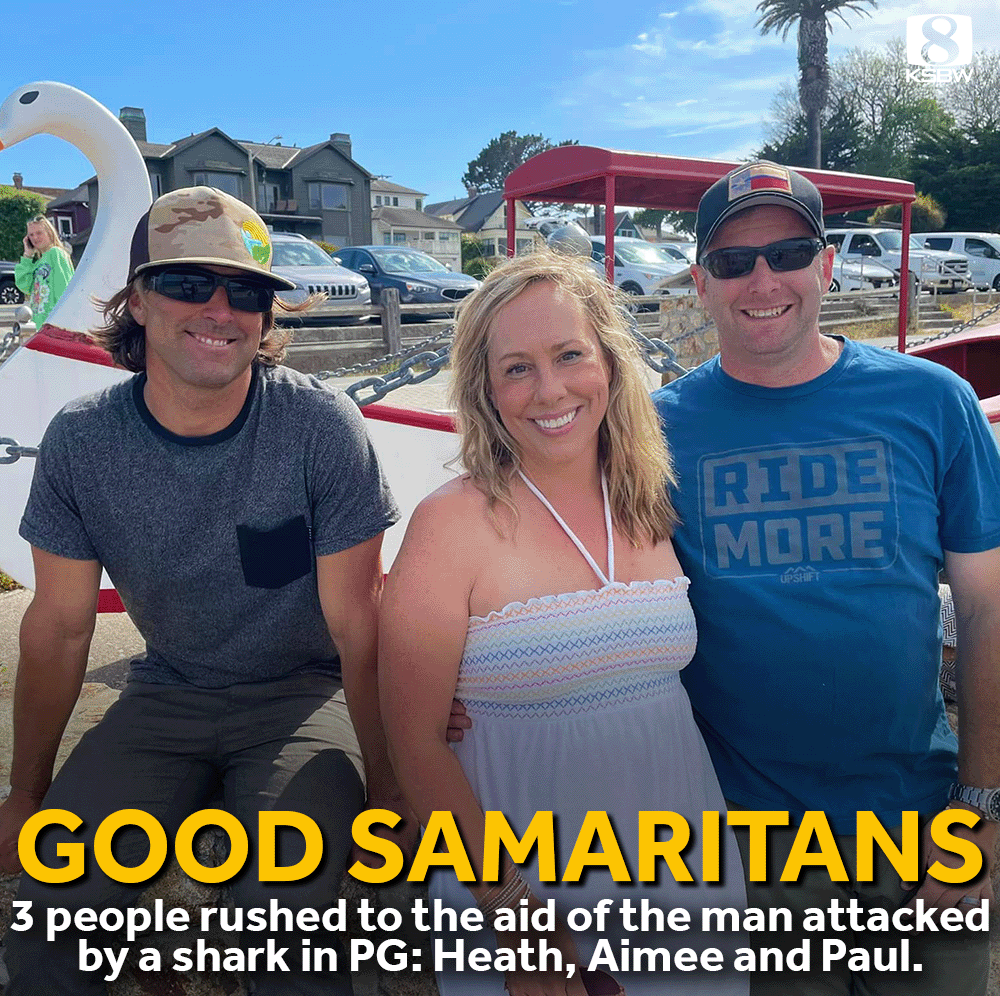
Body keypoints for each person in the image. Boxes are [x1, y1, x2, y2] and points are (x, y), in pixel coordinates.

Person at [0, 186, 410, 995]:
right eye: (190, 284)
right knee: (55, 902)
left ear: (265, 317)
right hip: (167, 692)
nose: (220, 310)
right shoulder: (83, 441)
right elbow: (58, 632)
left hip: (304, 694)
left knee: (289, 911)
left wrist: (389, 789)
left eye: (247, 292)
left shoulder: (320, 428)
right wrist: (27, 794)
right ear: (138, 300)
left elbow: (360, 629)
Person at [650, 161, 1000, 995]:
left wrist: (984, 808)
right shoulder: (654, 431)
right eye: (734, 263)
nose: (761, 280)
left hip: (918, 818)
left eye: (788, 252)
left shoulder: (933, 402)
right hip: (748, 840)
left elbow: (987, 610)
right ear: (702, 283)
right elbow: (578, 571)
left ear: (827, 265)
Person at [380, 250, 748, 996]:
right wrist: (515, 919)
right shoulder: (450, 525)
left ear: (610, 360)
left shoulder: (653, 500)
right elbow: (414, 739)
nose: (549, 390)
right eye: (516, 368)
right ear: (485, 388)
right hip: (525, 902)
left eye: (569, 355)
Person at [14, 213, 75, 328]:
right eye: (31, 235)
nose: (35, 238)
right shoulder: (38, 263)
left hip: (54, 325)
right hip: (39, 325)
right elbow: (24, 285)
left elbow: (64, 289)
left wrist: (60, 321)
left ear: (49, 233)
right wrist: (27, 256)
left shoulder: (56, 254)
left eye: (39, 233)